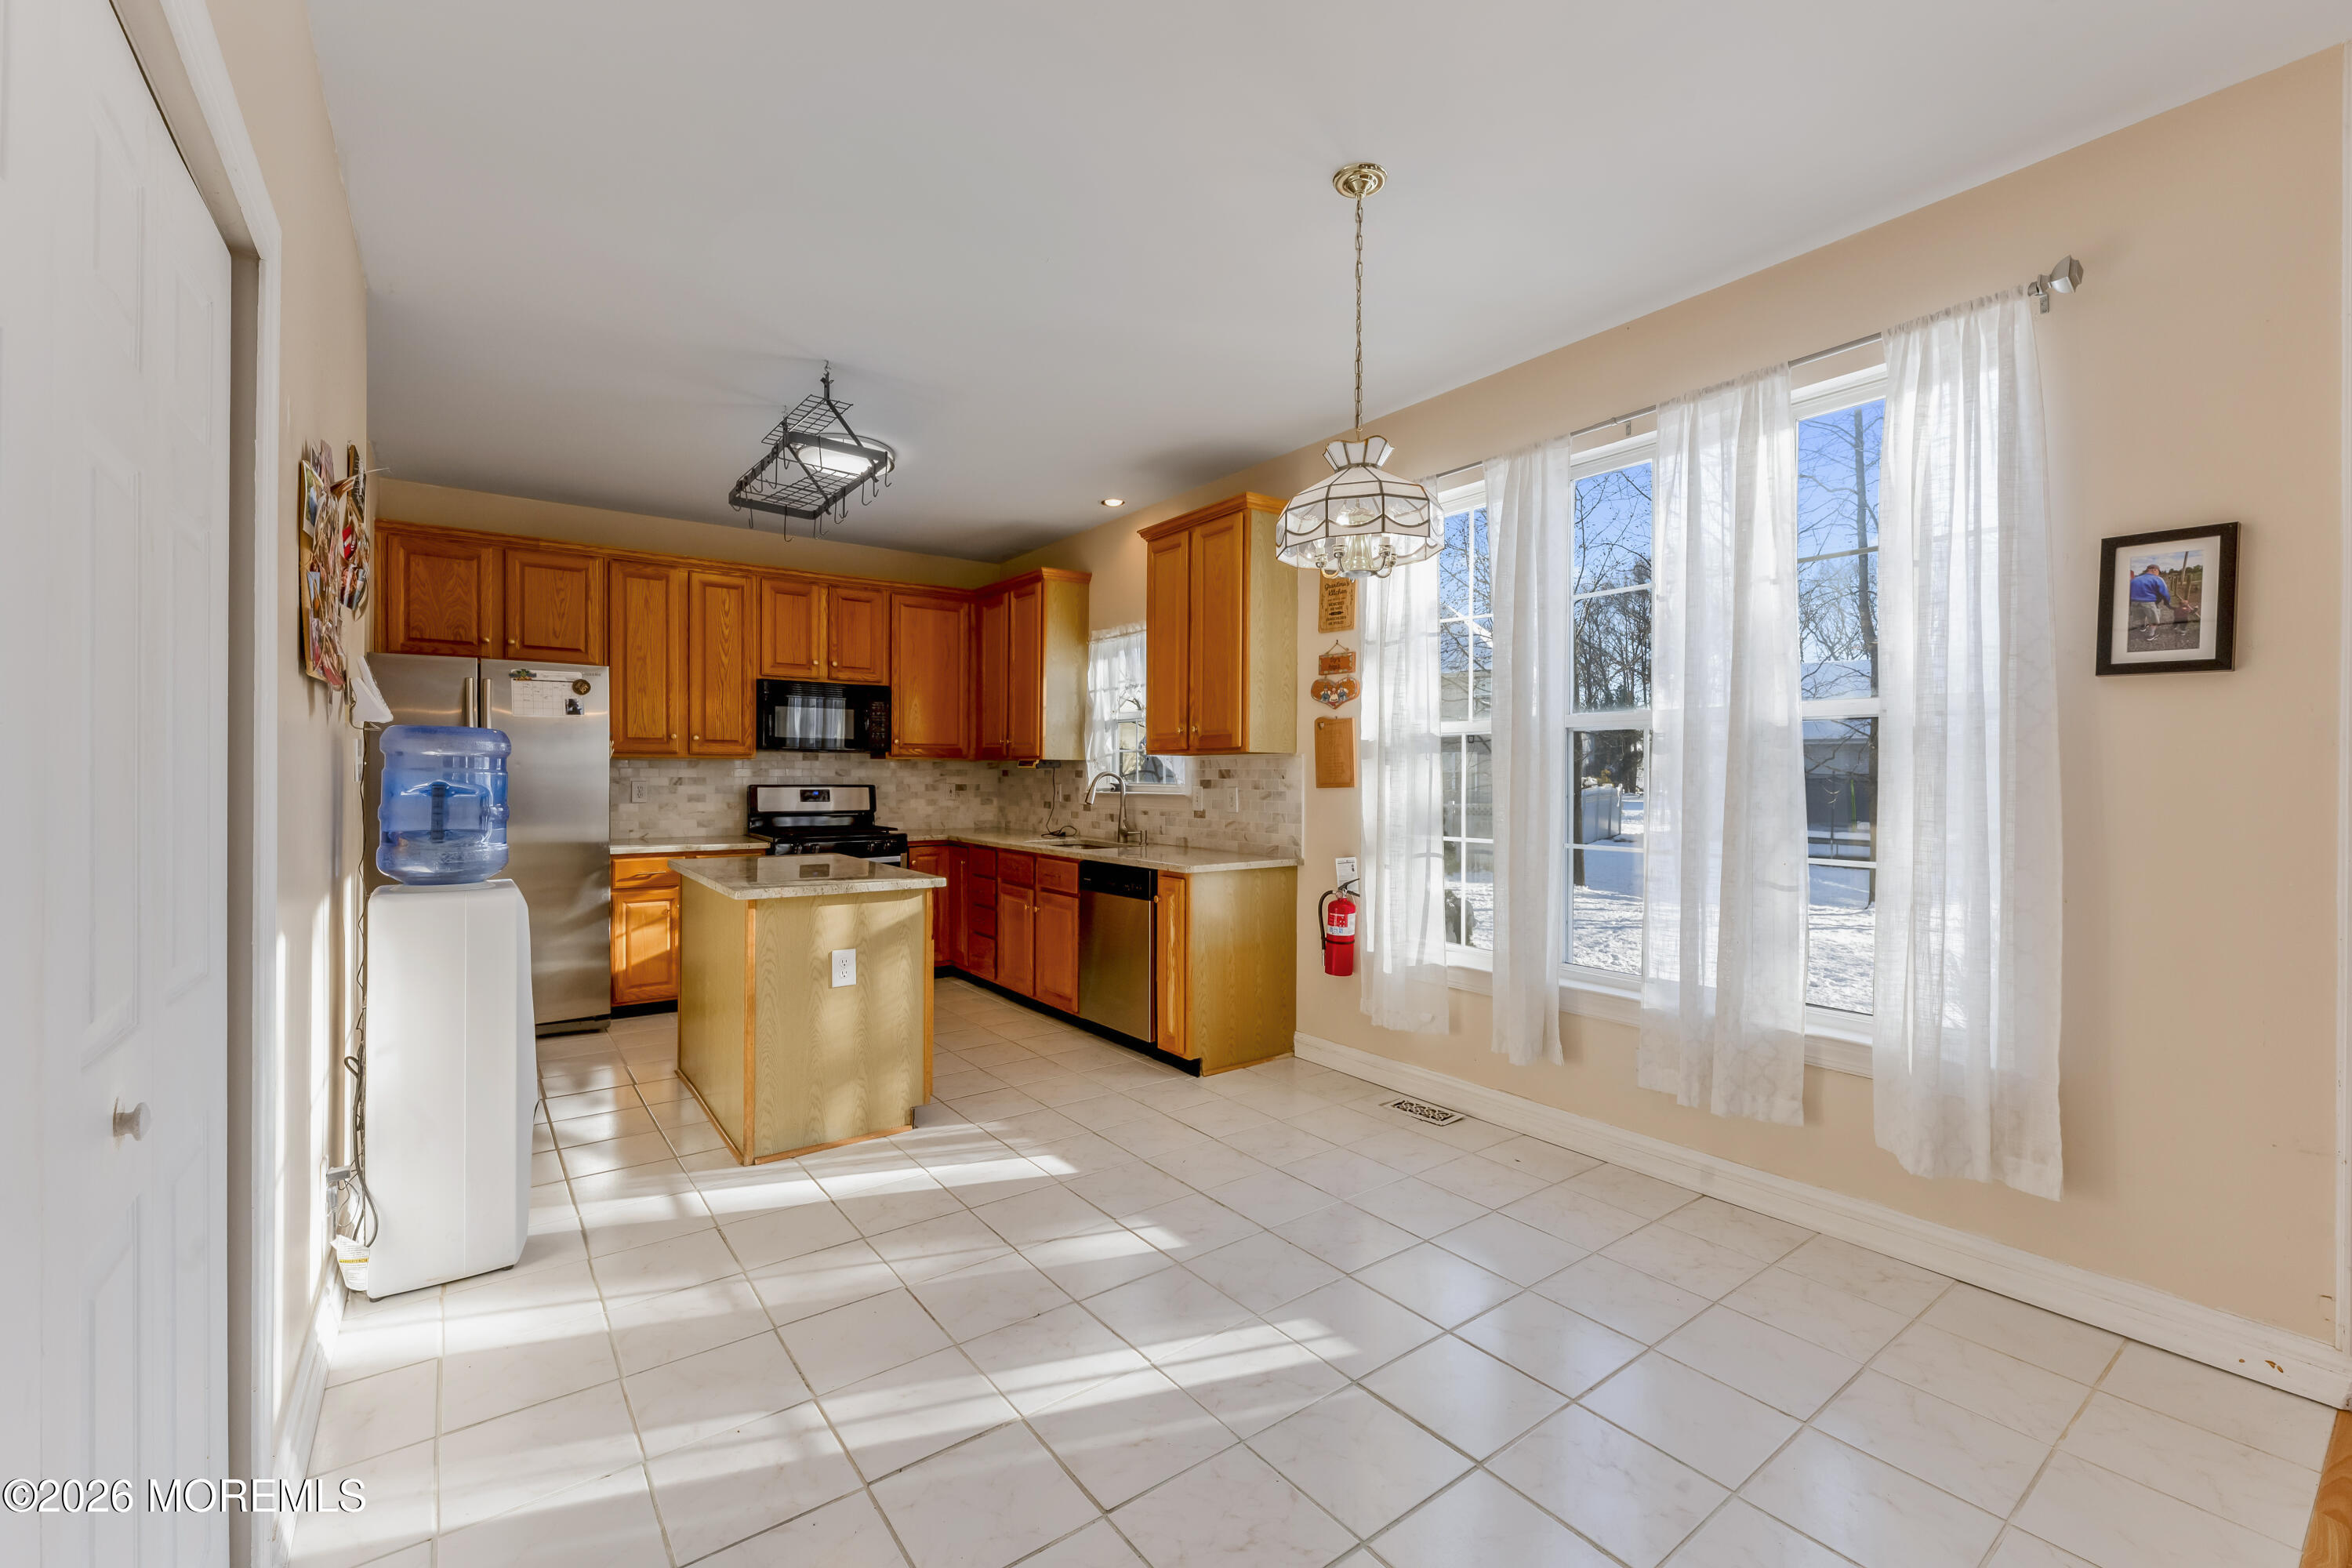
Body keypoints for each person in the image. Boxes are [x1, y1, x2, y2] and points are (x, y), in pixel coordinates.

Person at [2129, 564, 2172, 638]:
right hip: (2149, 603)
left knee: (2141, 615)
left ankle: (2143, 627)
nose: (2158, 574)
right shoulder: (2158, 579)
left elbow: (2129, 592)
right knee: (2153, 620)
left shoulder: (2135, 579)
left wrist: (2130, 604)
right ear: (2154, 570)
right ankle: (2151, 635)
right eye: (2159, 572)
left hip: (2135, 602)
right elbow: (2165, 593)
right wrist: (2167, 603)